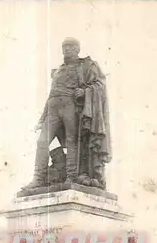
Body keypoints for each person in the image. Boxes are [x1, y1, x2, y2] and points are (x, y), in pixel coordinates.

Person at [23, 37, 112, 191]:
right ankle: (38, 178)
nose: (66, 50)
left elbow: (99, 84)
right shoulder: (58, 71)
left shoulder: (85, 65)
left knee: (72, 142)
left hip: (70, 106)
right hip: (53, 108)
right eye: (64, 47)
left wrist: (84, 92)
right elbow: (51, 95)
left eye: (70, 47)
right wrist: (42, 118)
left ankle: (71, 176)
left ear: (78, 50)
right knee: (42, 142)